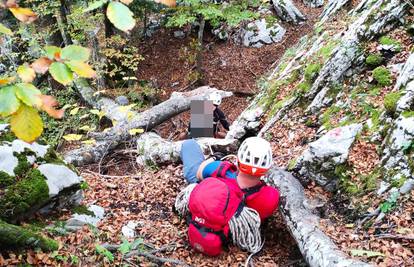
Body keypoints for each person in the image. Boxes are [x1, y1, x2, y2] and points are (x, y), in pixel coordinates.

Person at [175, 136, 280, 255]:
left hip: (204, 201)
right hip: (225, 232)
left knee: (189, 144)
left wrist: (215, 158)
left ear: (239, 161)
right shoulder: (270, 196)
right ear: (266, 169)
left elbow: (200, 174)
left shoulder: (220, 168)